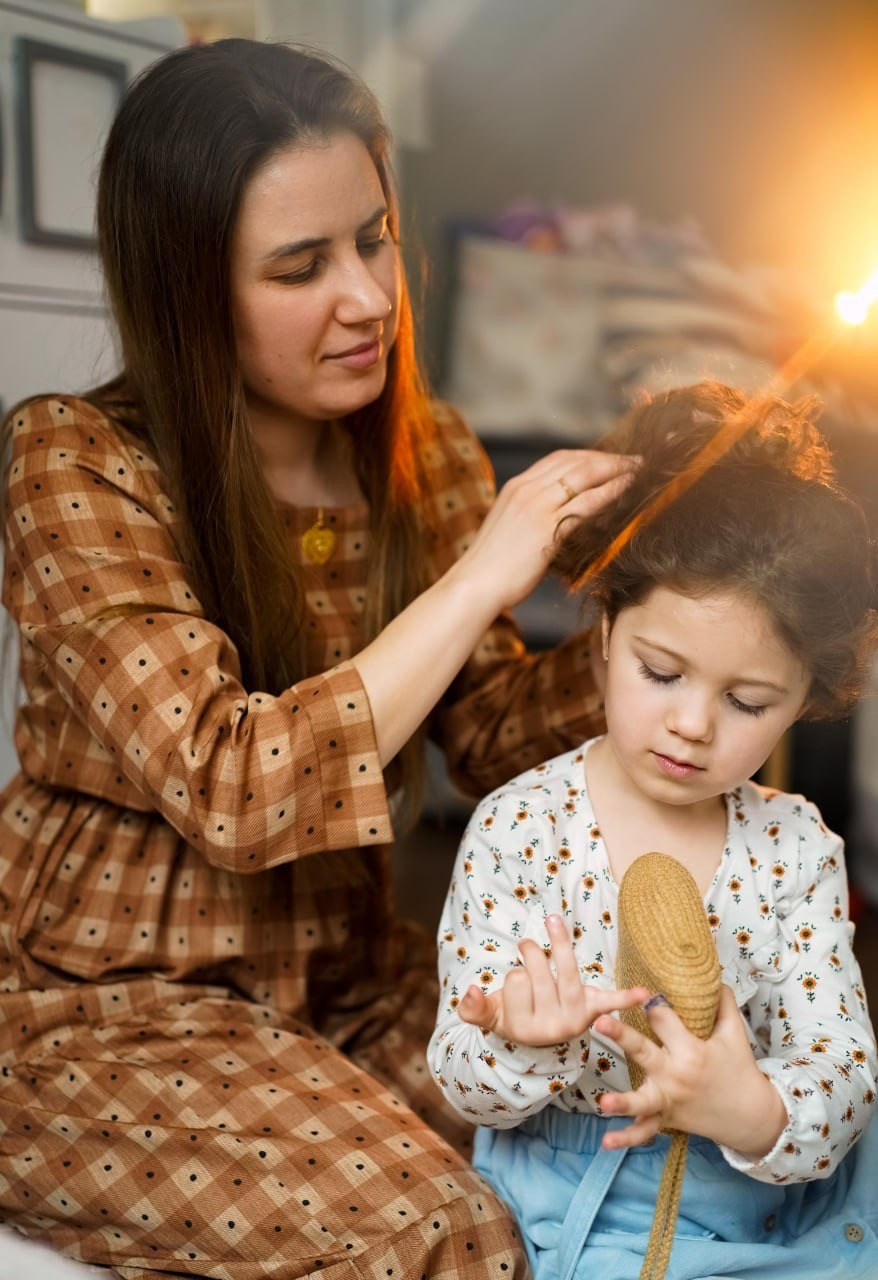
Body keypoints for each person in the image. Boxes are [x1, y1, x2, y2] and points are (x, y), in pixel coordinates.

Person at [0, 37, 638, 1280]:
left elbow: (500, 730)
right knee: (438, 1232)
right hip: (101, 1015)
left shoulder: (426, 449)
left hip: (343, 979)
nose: (367, 296)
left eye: (374, 236)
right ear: (191, 290)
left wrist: (655, 615)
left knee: (633, 1102)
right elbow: (234, 782)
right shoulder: (72, 463)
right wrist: (482, 572)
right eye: (301, 266)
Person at [429, 380, 878, 1280]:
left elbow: (842, 1074)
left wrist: (748, 1107)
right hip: (560, 1202)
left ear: (805, 699)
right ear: (604, 631)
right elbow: (461, 1075)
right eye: (661, 672)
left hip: (756, 1210)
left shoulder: (794, 848)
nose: (694, 725)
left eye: (748, 701)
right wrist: (523, 1040)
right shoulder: (520, 827)